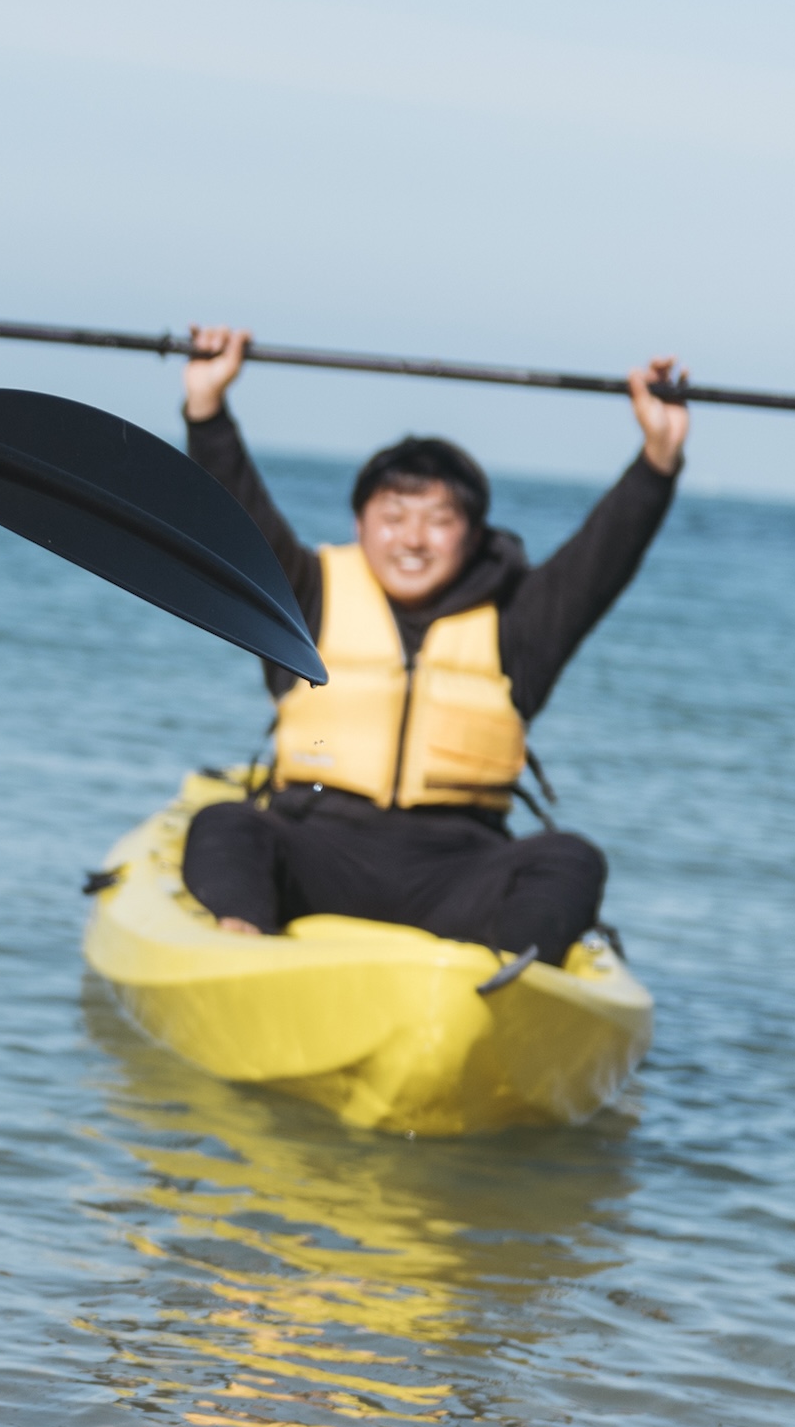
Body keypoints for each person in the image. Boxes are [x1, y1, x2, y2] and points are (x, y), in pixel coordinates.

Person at [174, 326, 686, 988]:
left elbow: (603, 558)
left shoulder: (516, 625)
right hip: (319, 847)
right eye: (394, 515)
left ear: (472, 535)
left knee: (570, 860)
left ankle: (504, 993)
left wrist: (659, 455)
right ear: (360, 524)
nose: (413, 539)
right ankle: (241, 957)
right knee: (225, 826)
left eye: (438, 520)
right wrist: (207, 408)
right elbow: (234, 518)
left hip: (456, 871)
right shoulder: (307, 598)